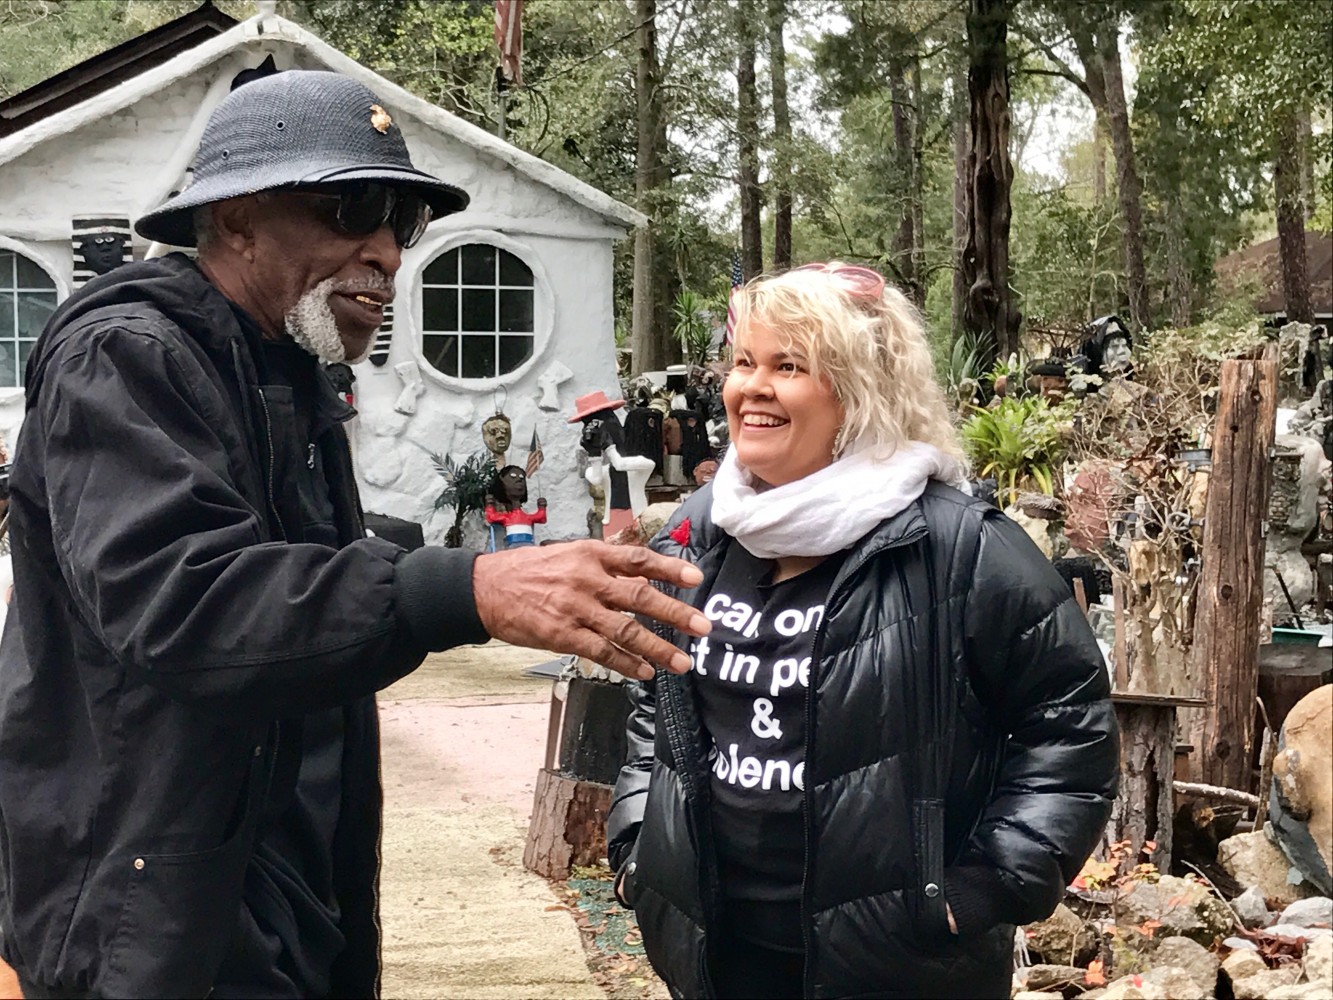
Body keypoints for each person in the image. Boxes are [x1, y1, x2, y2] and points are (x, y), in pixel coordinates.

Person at [0, 70, 710, 1000]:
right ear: (240, 219)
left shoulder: (291, 374)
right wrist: (468, 589)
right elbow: (183, 604)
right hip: (156, 908)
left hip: (280, 886)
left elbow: (299, 610)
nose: (385, 252)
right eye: (351, 208)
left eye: (403, 223)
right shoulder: (130, 353)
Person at [606, 263, 1118, 999]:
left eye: (789, 366)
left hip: (897, 960)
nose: (751, 386)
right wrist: (638, 845)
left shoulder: (959, 545)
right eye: (744, 362)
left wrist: (986, 886)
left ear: (858, 390)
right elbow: (658, 701)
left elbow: (1068, 727)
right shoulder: (697, 531)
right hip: (717, 951)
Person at [484, 464, 547, 548]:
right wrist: (490, 506)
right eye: (513, 477)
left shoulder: (524, 515)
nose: (518, 480)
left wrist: (542, 508)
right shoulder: (503, 514)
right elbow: (491, 518)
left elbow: (541, 518)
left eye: (522, 478)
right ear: (502, 480)